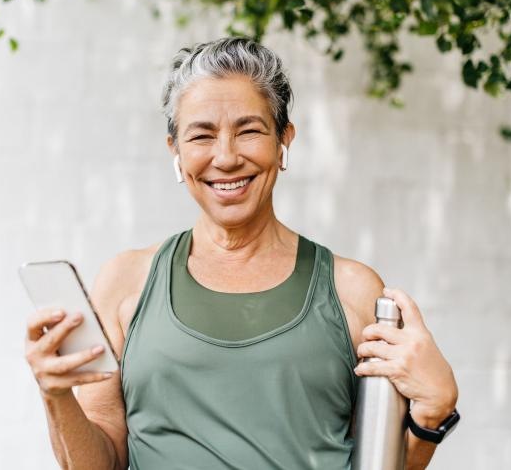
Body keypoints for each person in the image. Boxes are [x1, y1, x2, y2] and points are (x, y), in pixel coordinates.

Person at [24, 37, 459, 470]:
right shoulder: (125, 283)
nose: (227, 157)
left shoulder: (353, 289)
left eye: (249, 130)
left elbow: (380, 465)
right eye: (202, 135)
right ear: (175, 151)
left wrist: (432, 412)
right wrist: (55, 394)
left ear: (283, 139)